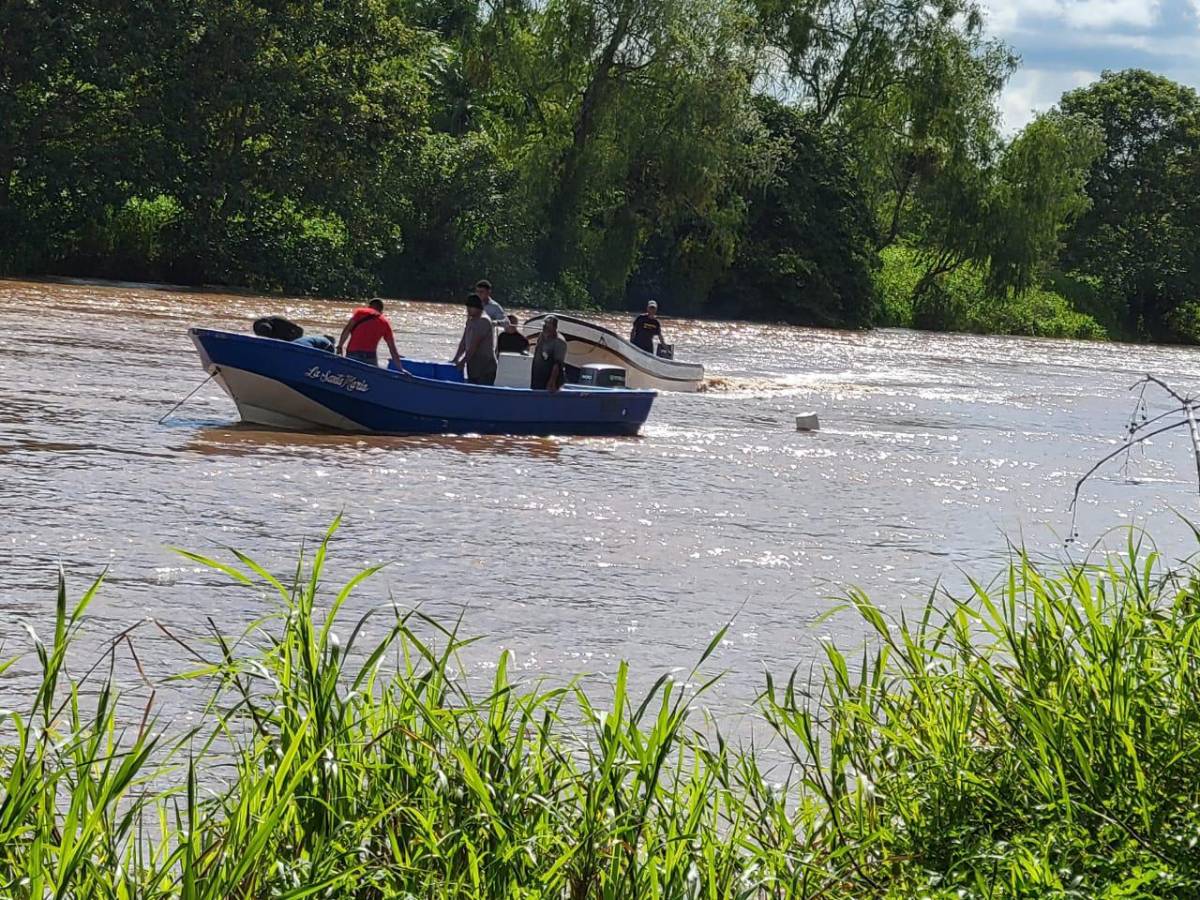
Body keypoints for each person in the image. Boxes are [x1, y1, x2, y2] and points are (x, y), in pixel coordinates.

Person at [337, 298, 406, 371]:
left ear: (370, 306)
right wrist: (400, 368)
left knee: (350, 376)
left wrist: (340, 346)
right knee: (371, 378)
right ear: (381, 310)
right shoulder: (385, 323)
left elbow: (347, 330)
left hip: (353, 353)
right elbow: (392, 348)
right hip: (370, 357)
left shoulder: (360, 313)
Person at [452, 295, 498, 385]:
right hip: (473, 366)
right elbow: (464, 342)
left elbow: (474, 345)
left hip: (485, 368)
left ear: (478, 308)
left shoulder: (483, 321)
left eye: (471, 307)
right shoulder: (470, 320)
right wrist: (456, 358)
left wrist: (463, 361)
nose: (468, 310)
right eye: (467, 307)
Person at [531, 315, 567, 391]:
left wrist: (552, 382)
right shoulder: (541, 336)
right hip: (538, 376)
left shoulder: (559, 342)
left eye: (548, 327)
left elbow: (557, 364)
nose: (545, 328)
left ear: (555, 327)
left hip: (550, 380)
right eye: (544, 326)